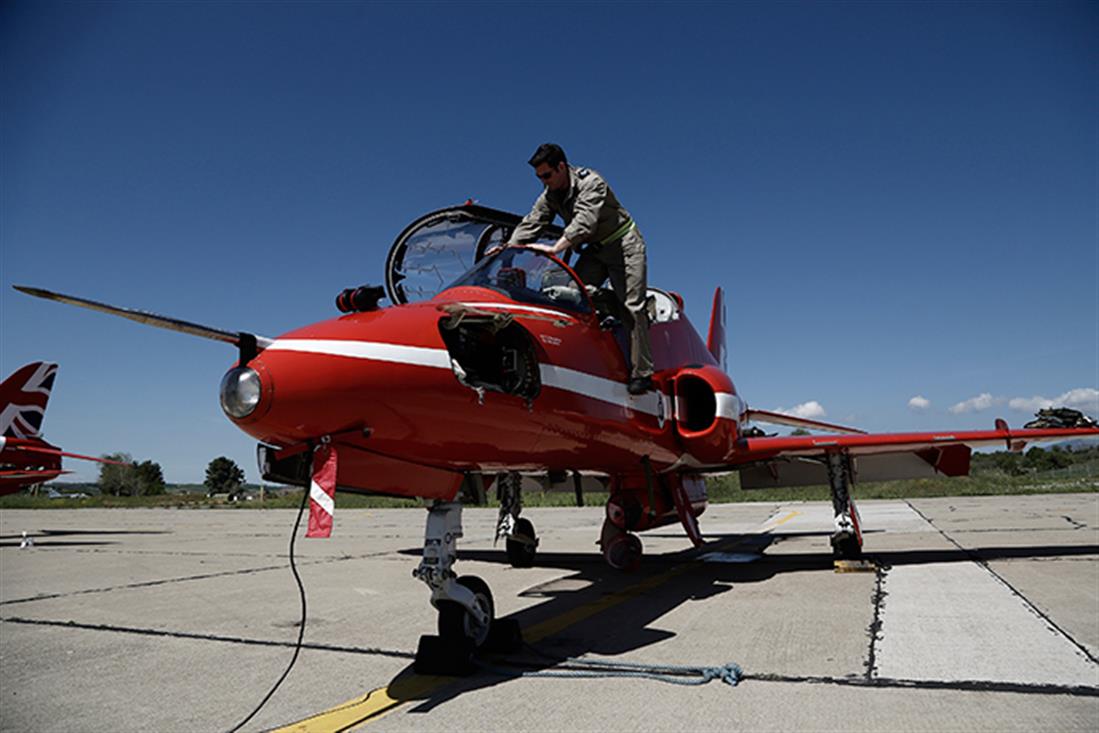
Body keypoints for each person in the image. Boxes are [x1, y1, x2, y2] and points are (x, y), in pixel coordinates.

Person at [507, 143, 654, 395]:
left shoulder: (591, 182)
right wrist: (508, 250)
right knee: (568, 296)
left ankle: (642, 373)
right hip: (596, 251)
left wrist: (555, 248)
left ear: (561, 167)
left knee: (632, 307)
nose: (543, 182)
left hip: (624, 245)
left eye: (547, 175)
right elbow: (533, 222)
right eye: (539, 178)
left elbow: (584, 223)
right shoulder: (550, 194)